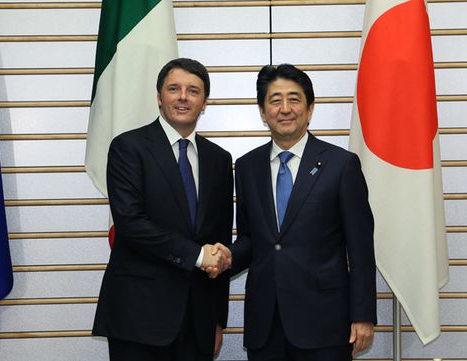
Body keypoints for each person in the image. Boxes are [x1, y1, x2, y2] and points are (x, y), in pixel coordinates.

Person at [222, 64, 376, 360]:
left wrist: (363, 315)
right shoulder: (246, 166)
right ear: (262, 111)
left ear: (309, 109)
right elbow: (251, 238)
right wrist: (226, 256)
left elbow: (360, 247)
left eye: (294, 99)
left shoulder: (341, 165)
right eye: (275, 100)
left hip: (325, 323)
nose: (285, 108)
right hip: (265, 323)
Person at [93, 58, 233, 361]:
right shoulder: (128, 148)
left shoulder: (219, 159)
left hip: (198, 320)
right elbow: (130, 224)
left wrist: (217, 320)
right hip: (138, 317)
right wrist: (197, 256)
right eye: (174, 88)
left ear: (204, 102)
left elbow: (219, 239)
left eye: (193, 90)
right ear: (159, 97)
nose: (183, 96)